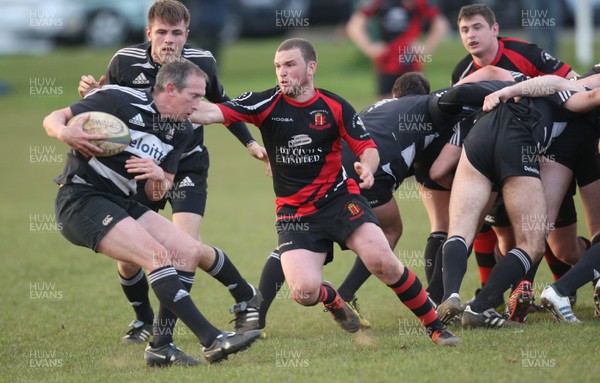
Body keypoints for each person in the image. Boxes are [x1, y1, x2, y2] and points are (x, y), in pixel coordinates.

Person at [193, 38, 460, 346]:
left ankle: (436, 327)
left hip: (341, 201)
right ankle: (331, 296)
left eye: (290, 65)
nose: (282, 72)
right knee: (304, 293)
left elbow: (367, 147)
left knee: (382, 261)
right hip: (295, 215)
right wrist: (177, 104)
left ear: (311, 67)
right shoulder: (264, 103)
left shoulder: (334, 106)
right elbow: (211, 113)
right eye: (278, 66)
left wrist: (368, 167)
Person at [43, 60, 262, 365]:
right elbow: (54, 117)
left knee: (187, 249)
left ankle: (161, 346)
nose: (199, 105)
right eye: (195, 96)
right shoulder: (118, 98)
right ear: (170, 89)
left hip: (122, 202)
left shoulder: (183, 129)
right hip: (80, 199)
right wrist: (64, 133)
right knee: (156, 257)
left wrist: (158, 175)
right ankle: (212, 339)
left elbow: (158, 193)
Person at [77, 0, 266, 347]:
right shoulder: (124, 61)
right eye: (161, 32)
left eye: (176, 33)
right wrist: (91, 94)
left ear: (186, 35)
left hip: (187, 163)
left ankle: (164, 339)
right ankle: (144, 320)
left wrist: (250, 143)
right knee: (128, 261)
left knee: (185, 249)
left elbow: (223, 104)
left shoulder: (203, 62)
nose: (169, 40)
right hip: (138, 167)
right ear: (148, 32)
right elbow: (108, 99)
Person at [346, 0, 450, 98]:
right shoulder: (379, 2)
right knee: (386, 108)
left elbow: (440, 23)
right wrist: (369, 48)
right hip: (386, 63)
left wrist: (426, 48)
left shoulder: (419, 2)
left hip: (410, 63)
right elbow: (355, 24)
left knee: (416, 106)